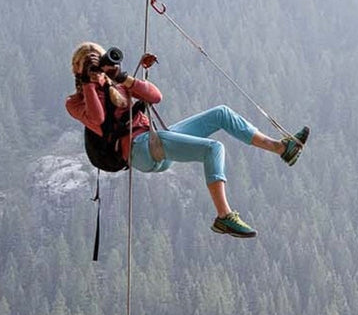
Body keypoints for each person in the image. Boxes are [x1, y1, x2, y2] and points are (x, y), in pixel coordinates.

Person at [65, 41, 308, 238]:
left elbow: (155, 96)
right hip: (141, 151)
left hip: (155, 142)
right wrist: (89, 82)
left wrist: (122, 77)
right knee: (213, 149)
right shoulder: (75, 102)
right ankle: (224, 216)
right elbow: (97, 118)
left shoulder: (117, 86)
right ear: (80, 70)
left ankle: (281, 148)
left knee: (220, 113)